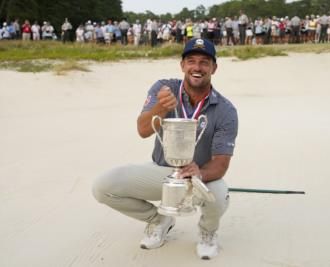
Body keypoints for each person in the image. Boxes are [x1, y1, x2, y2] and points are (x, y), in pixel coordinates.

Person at [92, 38, 238, 260]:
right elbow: (142, 130)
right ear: (182, 65)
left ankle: (208, 232)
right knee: (102, 187)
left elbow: (221, 163)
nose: (197, 67)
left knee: (219, 193)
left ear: (214, 68)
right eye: (191, 61)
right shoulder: (163, 88)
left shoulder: (226, 110)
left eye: (204, 62)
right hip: (162, 173)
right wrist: (161, 107)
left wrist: (200, 173)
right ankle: (159, 220)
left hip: (198, 179)